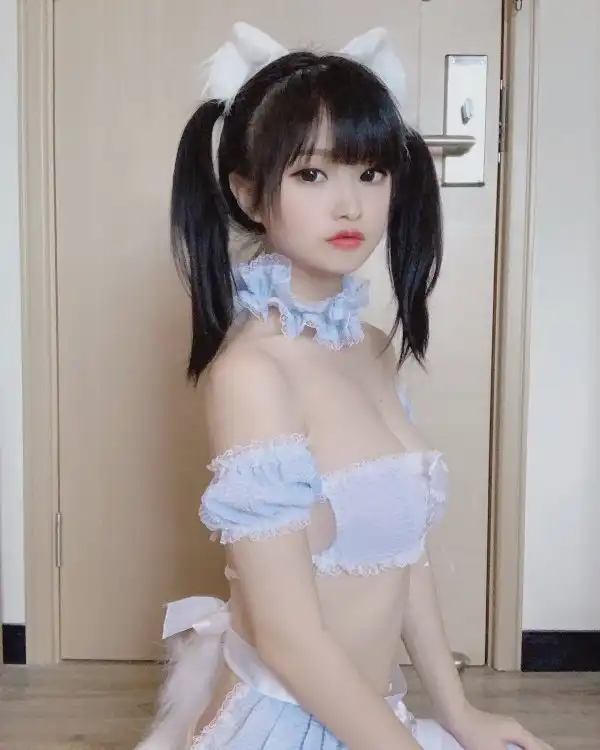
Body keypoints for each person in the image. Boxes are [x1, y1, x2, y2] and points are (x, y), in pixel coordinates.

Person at [136, 22, 552, 750]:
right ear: (248, 193)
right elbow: (288, 638)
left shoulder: (370, 346)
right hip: (287, 724)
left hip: (373, 717)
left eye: (370, 173)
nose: (351, 206)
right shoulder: (252, 375)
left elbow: (401, 553)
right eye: (311, 175)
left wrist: (459, 713)